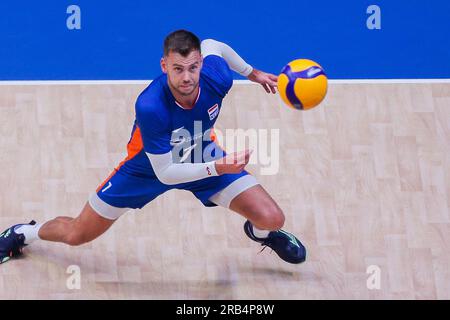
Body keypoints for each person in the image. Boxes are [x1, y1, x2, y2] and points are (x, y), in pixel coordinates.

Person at [0, 30, 306, 265]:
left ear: (201, 63)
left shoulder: (216, 77)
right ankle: (22, 233)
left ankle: (260, 233)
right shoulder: (151, 106)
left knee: (272, 217)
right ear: (164, 66)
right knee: (77, 234)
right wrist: (219, 167)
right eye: (177, 69)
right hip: (145, 169)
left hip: (202, 152)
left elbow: (215, 44)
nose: (187, 77)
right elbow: (166, 172)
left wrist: (251, 73)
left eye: (193, 67)